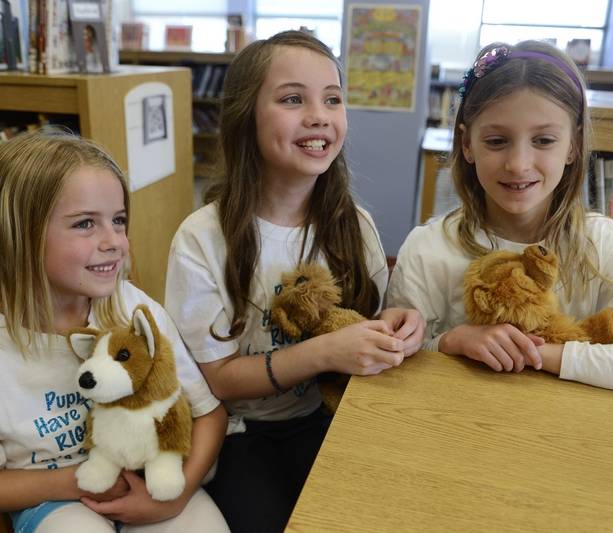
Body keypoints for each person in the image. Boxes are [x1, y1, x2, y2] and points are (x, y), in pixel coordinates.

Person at [164, 30, 425, 532]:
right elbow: (216, 380)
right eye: (292, 99)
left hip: (332, 417)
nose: (319, 115)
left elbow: (362, 329)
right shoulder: (202, 239)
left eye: (332, 99)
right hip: (239, 433)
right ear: (246, 117)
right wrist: (323, 353)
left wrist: (396, 327)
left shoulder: (356, 225)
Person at [0, 130, 230, 532]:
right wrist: (75, 480)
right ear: (19, 236)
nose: (115, 241)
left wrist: (179, 494)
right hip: (50, 495)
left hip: (152, 475)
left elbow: (208, 413)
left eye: (118, 220)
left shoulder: (134, 311)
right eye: (85, 224)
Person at [387, 40, 613, 400]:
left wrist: (536, 355)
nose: (518, 163)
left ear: (574, 146)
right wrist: (451, 341)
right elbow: (394, 363)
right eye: (497, 141)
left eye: (544, 140)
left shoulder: (609, 244)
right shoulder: (428, 248)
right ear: (467, 144)